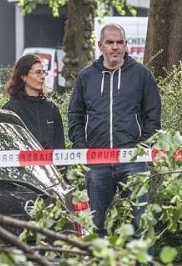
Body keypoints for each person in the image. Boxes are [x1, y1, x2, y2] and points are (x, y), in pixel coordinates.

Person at [68, 23, 162, 238]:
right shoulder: (86, 77)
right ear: (100, 45)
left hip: (132, 160)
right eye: (110, 42)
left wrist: (142, 147)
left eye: (120, 42)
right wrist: (82, 149)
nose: (115, 47)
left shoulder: (142, 75)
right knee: (94, 224)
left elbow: (153, 116)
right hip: (97, 160)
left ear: (126, 46)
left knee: (140, 224)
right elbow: (75, 115)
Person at [3, 54, 64, 149]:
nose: (43, 77)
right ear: (23, 76)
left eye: (44, 72)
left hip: (50, 163)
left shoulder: (51, 107)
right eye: (38, 72)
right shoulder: (11, 109)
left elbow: (59, 144)